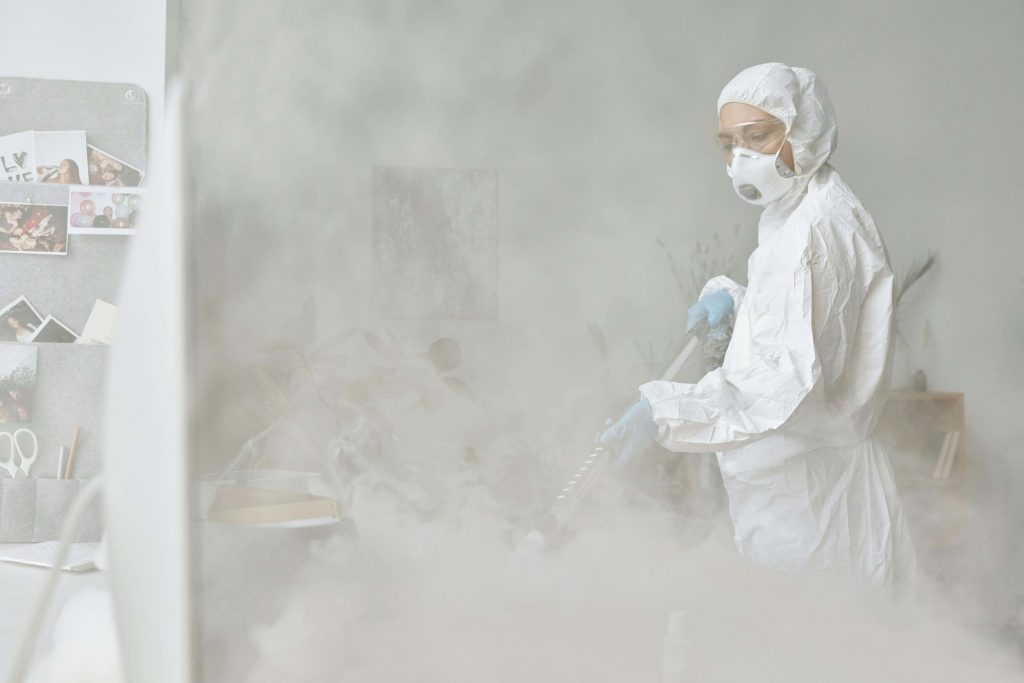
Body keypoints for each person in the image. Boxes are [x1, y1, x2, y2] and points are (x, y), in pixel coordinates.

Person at [603, 63, 916, 592]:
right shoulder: (799, 205)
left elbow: (782, 387)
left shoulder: (817, 230)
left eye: (758, 136)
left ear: (803, 130)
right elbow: (803, 323)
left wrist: (664, 412)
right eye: (729, 143)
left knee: (816, 633)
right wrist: (736, 299)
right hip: (793, 486)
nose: (741, 158)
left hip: (813, 501)